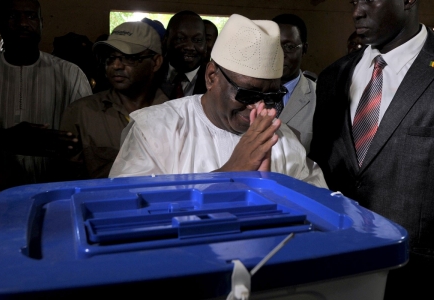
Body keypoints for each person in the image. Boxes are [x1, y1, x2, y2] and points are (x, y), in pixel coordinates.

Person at [109, 14, 326, 189]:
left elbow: (319, 208)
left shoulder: (284, 140)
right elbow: (127, 212)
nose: (259, 108)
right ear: (212, 76)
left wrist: (273, 194)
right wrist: (230, 173)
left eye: (271, 97)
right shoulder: (155, 130)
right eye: (247, 94)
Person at [309, 0, 433, 298]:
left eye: (370, 0)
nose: (356, 12)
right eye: (353, 2)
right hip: (336, 261)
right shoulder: (333, 76)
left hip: (416, 269)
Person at [0, 0, 92, 190]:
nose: (23, 23)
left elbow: (85, 141)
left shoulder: (71, 75)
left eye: (31, 16)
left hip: (54, 191)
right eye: (12, 16)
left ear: (41, 22)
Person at [60, 22, 168, 179]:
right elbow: (67, 181)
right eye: (110, 58)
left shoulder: (176, 116)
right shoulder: (81, 113)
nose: (116, 65)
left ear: (156, 62)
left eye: (129, 58)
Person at [272, 14, 316, 153]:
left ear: (304, 49)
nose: (280, 54)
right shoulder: (248, 94)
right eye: (274, 46)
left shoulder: (319, 97)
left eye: (289, 47)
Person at [161, 10, 207, 99]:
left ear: (205, 45)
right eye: (180, 38)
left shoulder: (216, 81)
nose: (189, 47)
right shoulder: (151, 75)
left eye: (197, 40)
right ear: (165, 40)